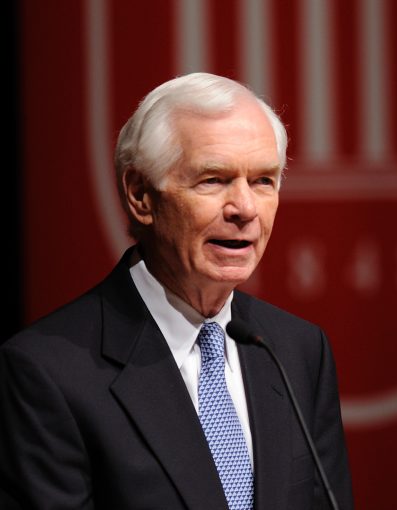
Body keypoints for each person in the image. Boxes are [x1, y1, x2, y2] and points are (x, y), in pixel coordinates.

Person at [0, 72, 353, 509]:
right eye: (213, 179)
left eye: (263, 181)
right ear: (140, 195)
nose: (245, 209)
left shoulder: (298, 349)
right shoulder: (50, 371)